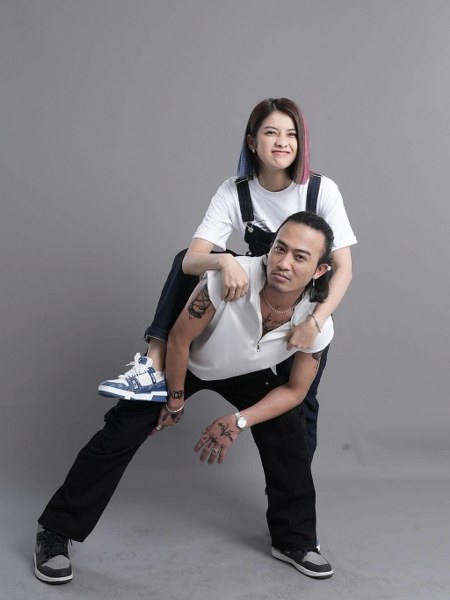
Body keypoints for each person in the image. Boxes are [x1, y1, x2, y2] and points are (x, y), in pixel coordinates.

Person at [35, 211, 336, 584]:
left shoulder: (315, 322)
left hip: (245, 371)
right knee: (121, 431)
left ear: (320, 270)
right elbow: (178, 339)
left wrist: (239, 421)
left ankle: (293, 540)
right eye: (279, 249)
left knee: (288, 427)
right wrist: (174, 401)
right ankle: (55, 530)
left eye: (300, 257)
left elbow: (294, 391)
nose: (284, 263)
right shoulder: (233, 277)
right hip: (188, 360)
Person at [98, 97, 357, 458]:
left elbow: (343, 268)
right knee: (184, 257)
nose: (282, 142)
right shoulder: (235, 191)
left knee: (300, 407)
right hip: (254, 300)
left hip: (304, 311)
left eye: (291, 134)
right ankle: (154, 359)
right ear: (252, 141)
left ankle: (296, 483)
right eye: (271, 133)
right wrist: (222, 261)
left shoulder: (319, 190)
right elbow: (191, 261)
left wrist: (315, 322)